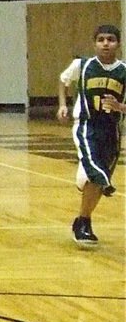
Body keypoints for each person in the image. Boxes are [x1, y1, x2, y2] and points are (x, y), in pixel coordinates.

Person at [57, 23, 125, 246]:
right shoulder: (82, 65)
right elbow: (63, 81)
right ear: (94, 43)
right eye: (101, 39)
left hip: (112, 129)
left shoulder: (123, 71)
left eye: (111, 39)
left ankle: (83, 221)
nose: (106, 43)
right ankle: (102, 181)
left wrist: (120, 107)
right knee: (97, 172)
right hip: (87, 125)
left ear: (118, 43)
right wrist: (63, 105)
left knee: (90, 180)